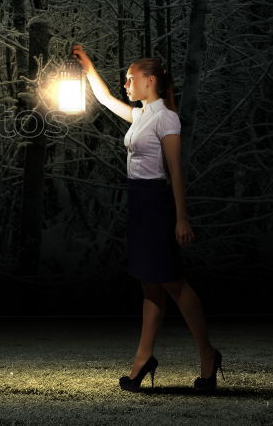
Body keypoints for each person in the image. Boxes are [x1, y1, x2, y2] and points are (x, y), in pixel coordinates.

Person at [71, 44, 222, 392]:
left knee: (172, 282)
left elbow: (176, 170)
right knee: (149, 282)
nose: (126, 84)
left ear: (149, 80)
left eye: (130, 78)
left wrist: (181, 218)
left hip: (156, 202)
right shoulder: (142, 115)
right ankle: (143, 358)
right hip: (138, 201)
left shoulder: (166, 117)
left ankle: (207, 354)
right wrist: (89, 66)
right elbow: (107, 99)